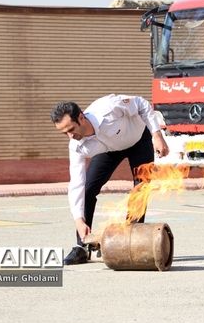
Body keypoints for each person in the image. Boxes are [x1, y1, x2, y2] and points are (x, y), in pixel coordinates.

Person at [50, 94, 169, 265]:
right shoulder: (76, 146)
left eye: (71, 129)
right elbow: (76, 183)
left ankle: (131, 242)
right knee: (88, 189)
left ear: (81, 117)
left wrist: (157, 135)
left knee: (140, 189)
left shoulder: (109, 109)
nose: (70, 136)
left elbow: (141, 104)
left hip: (138, 139)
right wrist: (79, 220)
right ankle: (81, 247)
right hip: (110, 150)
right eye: (64, 133)